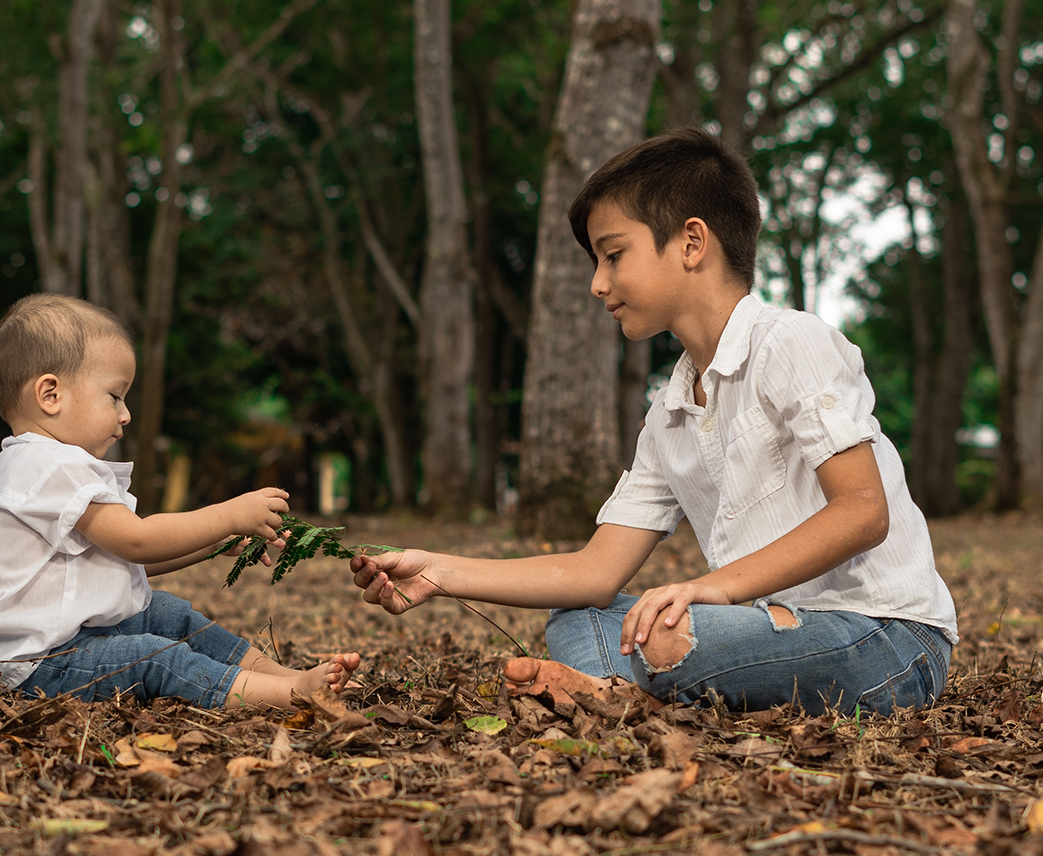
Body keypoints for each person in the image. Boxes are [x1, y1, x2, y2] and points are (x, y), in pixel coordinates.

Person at [352, 128, 956, 715]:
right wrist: (438, 571)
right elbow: (593, 573)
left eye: (614, 255)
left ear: (692, 243)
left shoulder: (789, 342)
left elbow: (862, 511)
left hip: (883, 636)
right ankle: (627, 696)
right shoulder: (669, 413)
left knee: (677, 632)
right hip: (754, 629)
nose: (598, 283)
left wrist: (713, 590)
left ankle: (635, 683)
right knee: (585, 619)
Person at [0, 293, 359, 706]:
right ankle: (288, 694)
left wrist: (209, 543)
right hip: (31, 665)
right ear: (51, 395)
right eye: (115, 396)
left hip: (59, 640)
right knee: (150, 658)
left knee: (165, 613)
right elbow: (137, 540)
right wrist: (227, 516)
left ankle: (286, 676)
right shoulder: (49, 463)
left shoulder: (40, 463)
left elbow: (127, 559)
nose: (126, 414)